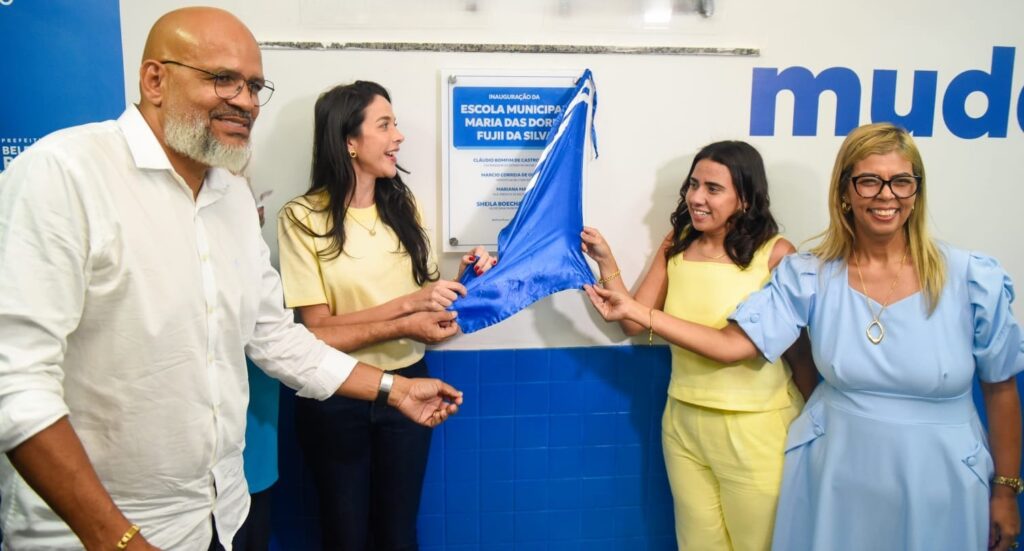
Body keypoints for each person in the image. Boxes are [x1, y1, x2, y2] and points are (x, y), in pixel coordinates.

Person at [0, 8, 462, 550]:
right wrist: (117, 540)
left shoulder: (232, 199)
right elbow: (15, 383)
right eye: (223, 79)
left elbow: (274, 337)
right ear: (155, 79)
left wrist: (394, 389)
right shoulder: (65, 173)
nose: (244, 101)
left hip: (222, 517)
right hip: (99, 533)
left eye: (254, 86)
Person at [584, 123, 1023, 551]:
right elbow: (733, 344)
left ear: (917, 190)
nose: (886, 195)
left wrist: (1005, 490)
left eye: (901, 182)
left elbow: (1001, 387)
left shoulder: (969, 278)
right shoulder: (809, 274)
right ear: (845, 191)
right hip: (838, 472)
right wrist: (633, 301)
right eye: (869, 181)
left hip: (940, 477)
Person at [277, 81, 494, 550]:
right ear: (348, 142)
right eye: (385, 124)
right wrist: (407, 315)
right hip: (334, 396)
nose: (399, 136)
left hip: (411, 383)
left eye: (395, 123)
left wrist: (463, 282)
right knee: (345, 536)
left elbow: (426, 304)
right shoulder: (300, 218)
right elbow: (315, 333)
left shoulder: (404, 206)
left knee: (398, 536)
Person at [581, 140, 817, 550]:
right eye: (693, 184)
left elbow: (748, 347)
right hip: (683, 423)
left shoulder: (776, 255)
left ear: (745, 197)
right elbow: (633, 323)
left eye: (713, 188)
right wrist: (605, 260)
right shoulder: (677, 243)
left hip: (756, 429)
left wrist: (820, 425)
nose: (696, 197)